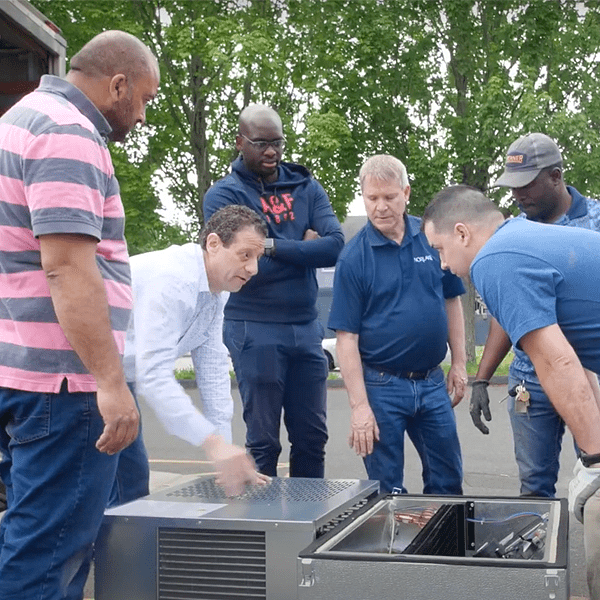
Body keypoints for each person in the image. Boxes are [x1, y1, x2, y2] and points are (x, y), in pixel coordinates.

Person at [0, 31, 158, 600]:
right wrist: (110, 383)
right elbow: (67, 267)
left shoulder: (20, 118)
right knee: (49, 555)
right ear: (116, 84)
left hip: (24, 368)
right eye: (142, 99)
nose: (141, 116)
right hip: (64, 384)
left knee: (36, 533)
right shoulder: (67, 134)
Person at [422, 185, 600, 600]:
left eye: (441, 248)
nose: (444, 265)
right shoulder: (524, 237)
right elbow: (581, 356)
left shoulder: (495, 260)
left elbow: (557, 363)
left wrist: (594, 458)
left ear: (462, 233)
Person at [203, 104, 344, 478]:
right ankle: (261, 528)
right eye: (261, 143)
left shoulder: (307, 187)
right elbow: (239, 267)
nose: (271, 152)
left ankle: (309, 522)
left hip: (305, 326)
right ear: (240, 142)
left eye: (278, 143)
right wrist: (302, 247)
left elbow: (333, 246)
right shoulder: (222, 196)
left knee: (312, 437)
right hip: (253, 326)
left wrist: (268, 246)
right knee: (264, 442)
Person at [469, 133, 600, 499]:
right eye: (512, 187)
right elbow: (507, 311)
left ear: (556, 177)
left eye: (526, 185)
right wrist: (482, 378)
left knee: (598, 475)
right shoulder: (515, 229)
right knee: (534, 485)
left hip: (586, 376)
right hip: (530, 380)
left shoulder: (594, 222)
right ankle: (542, 557)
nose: (517, 195)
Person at [328, 154, 467, 494]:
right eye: (372, 198)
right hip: (381, 387)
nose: (380, 207)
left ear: (406, 193)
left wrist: (460, 363)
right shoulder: (353, 258)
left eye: (389, 197)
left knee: (447, 479)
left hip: (433, 384)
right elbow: (346, 338)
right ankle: (394, 548)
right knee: (387, 488)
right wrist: (359, 407)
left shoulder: (431, 237)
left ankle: (443, 545)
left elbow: (452, 300)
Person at [113, 205, 269, 505]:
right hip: (75, 378)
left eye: (258, 258)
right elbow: (154, 376)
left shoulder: (216, 290)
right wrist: (213, 444)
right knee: (81, 499)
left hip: (118, 381)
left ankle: (106, 550)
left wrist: (225, 450)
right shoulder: (174, 280)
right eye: (245, 255)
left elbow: (211, 368)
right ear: (213, 244)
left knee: (129, 491)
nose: (253, 269)